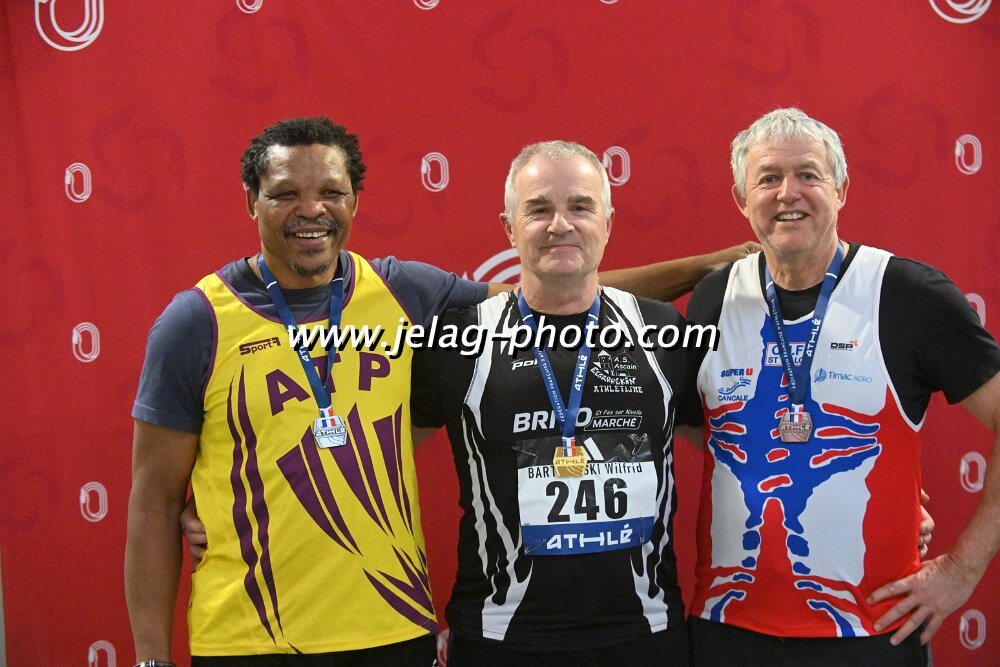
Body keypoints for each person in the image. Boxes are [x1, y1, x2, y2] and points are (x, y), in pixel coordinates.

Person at [125, 117, 752, 666]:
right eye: (285, 194)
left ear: (354, 201)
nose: (310, 209)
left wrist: (712, 265)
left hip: (394, 630)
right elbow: (153, 500)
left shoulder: (404, 293)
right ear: (251, 201)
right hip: (256, 635)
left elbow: (557, 290)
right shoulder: (196, 321)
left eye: (331, 192)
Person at [680, 107, 1000, 666]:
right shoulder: (714, 297)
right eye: (768, 178)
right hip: (728, 628)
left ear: (841, 189)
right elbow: (699, 424)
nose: (788, 193)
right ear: (742, 199)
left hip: (870, 634)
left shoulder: (907, 293)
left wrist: (961, 570)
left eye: (808, 174)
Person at [410, 141, 704, 665]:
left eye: (581, 207)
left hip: (644, 636)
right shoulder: (457, 340)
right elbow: (375, 460)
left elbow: (737, 456)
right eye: (539, 209)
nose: (560, 224)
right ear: (509, 227)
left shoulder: (663, 331)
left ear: (608, 223)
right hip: (500, 638)